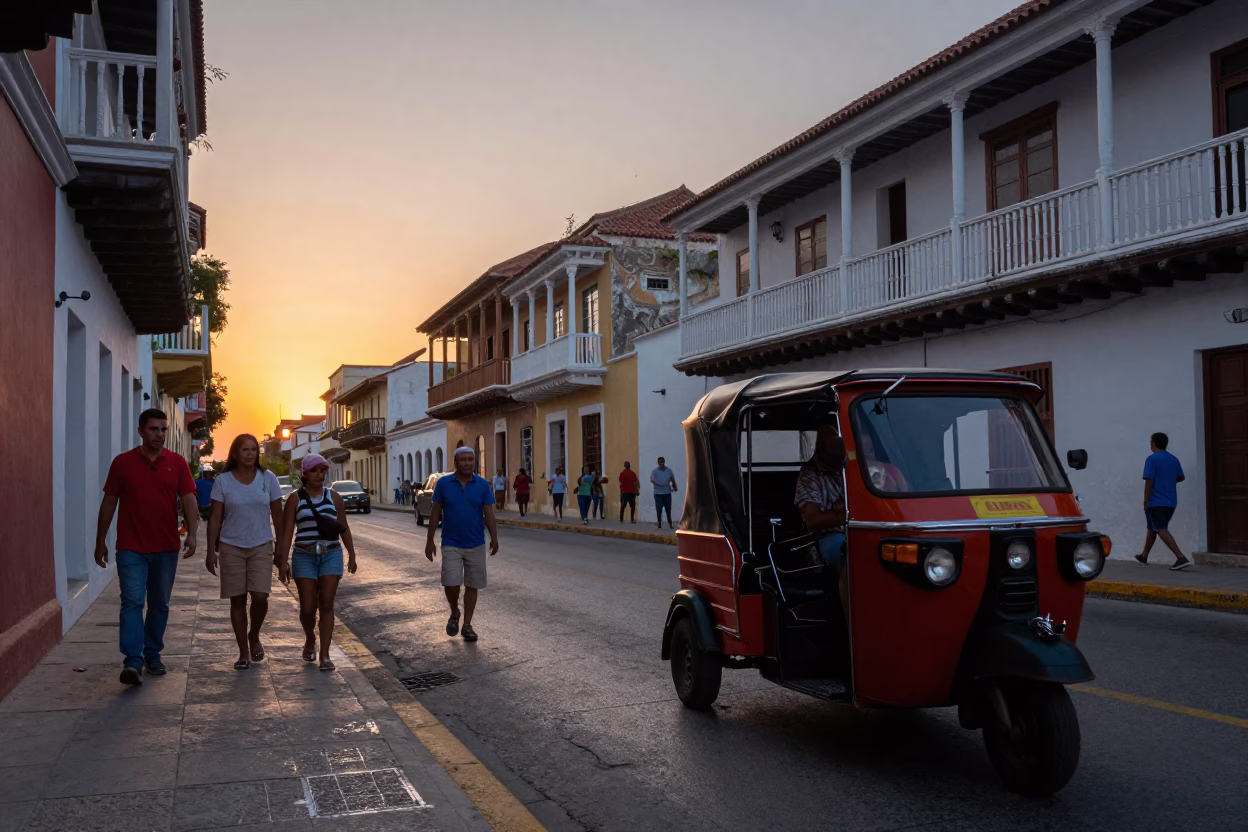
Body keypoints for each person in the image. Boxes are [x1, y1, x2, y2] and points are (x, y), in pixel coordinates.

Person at [94, 409, 198, 686]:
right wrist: (100, 540)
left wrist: (192, 534)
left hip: (165, 546)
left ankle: (153, 653)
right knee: (132, 601)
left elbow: (188, 499)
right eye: (154, 429)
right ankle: (133, 660)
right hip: (130, 547)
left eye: (164, 429)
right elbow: (109, 502)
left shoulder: (176, 463)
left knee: (160, 604)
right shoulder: (123, 463)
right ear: (141, 431)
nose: (160, 434)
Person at [206, 435, 286, 670]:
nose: (250, 454)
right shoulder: (223, 481)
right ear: (235, 453)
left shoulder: (267, 478)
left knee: (260, 596)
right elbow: (215, 519)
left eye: (253, 449)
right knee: (238, 599)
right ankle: (243, 652)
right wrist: (211, 551)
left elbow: (278, 516)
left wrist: (281, 547)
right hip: (231, 546)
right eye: (245, 450)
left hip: (261, 544)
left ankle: (254, 634)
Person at [279, 453, 358, 670]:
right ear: (305, 474)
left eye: (322, 470)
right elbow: (287, 533)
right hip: (303, 555)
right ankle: (309, 639)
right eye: (315, 470)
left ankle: (325, 655)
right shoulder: (295, 499)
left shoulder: (334, 498)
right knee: (307, 608)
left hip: (331, 554)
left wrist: (351, 554)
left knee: (326, 603)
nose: (320, 474)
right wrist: (283, 561)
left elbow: (344, 527)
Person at [425, 447, 498, 643]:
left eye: (471, 460)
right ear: (455, 462)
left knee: (472, 584)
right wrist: (429, 540)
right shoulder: (443, 484)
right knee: (451, 582)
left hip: (475, 543)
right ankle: (455, 611)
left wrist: (494, 538)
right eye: (463, 460)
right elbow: (435, 512)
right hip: (451, 542)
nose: (467, 463)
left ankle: (467, 625)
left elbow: (489, 513)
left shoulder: (482, 485)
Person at [795, 425, 849, 612]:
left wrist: (839, 510)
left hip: (861, 530)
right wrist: (844, 515)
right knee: (851, 565)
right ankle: (851, 630)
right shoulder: (810, 474)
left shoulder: (853, 468)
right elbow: (813, 519)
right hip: (828, 538)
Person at [1134, 432, 1192, 571]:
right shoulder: (1173, 459)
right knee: (1152, 528)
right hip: (1170, 501)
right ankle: (1144, 555)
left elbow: (1149, 480)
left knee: (1160, 529)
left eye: (1151, 442)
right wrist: (1167, 482)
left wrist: (1146, 499)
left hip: (1156, 501)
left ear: (1154, 443)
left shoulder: (1152, 459)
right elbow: (1180, 477)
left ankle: (1180, 557)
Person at [650, 457, 678, 530]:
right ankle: (659, 523)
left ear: (664, 462)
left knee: (668, 509)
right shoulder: (654, 471)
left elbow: (672, 479)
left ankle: (670, 523)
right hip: (658, 493)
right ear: (658, 463)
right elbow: (651, 479)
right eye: (660, 462)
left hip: (667, 493)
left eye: (662, 462)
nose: (661, 464)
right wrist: (659, 483)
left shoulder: (669, 470)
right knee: (659, 509)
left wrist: (674, 486)